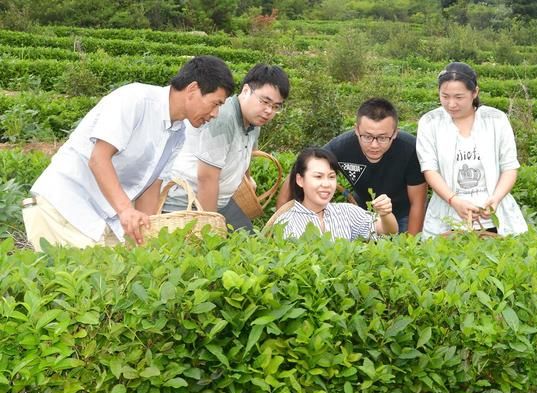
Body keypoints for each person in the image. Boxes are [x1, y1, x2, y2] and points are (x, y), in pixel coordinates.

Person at [22, 55, 235, 251]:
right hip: (65, 207)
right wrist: (126, 211)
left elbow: (151, 187)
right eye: (216, 103)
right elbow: (98, 159)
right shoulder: (136, 100)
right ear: (193, 89)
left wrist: (147, 235)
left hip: (103, 216)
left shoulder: (178, 133)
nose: (215, 114)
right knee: (83, 284)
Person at [164, 63, 290, 231]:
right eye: (265, 101)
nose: (269, 111)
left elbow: (246, 154)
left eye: (276, 107)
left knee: (250, 244)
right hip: (188, 202)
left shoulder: (255, 122)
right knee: (213, 246)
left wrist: (247, 178)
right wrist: (209, 227)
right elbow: (206, 178)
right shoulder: (224, 119)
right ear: (246, 91)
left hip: (222, 200)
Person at [275, 98, 426, 234]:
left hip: (403, 212)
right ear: (356, 130)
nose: (374, 145)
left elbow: (418, 202)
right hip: (362, 209)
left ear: (395, 133)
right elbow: (301, 170)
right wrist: (280, 219)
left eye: (382, 138)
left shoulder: (410, 149)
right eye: (367, 137)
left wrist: (410, 245)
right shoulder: (341, 146)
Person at [416, 61, 528, 238]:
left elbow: (509, 167)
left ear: (474, 92)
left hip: (493, 215)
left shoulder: (496, 120)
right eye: (445, 96)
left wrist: (496, 198)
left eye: (459, 97)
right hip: (447, 214)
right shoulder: (430, 122)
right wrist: (454, 200)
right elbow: (430, 169)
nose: (451, 104)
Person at [272, 147, 398, 240]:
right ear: (300, 180)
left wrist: (385, 213)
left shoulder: (347, 211)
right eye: (318, 176)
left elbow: (387, 231)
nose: (326, 184)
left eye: (331, 177)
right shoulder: (285, 222)